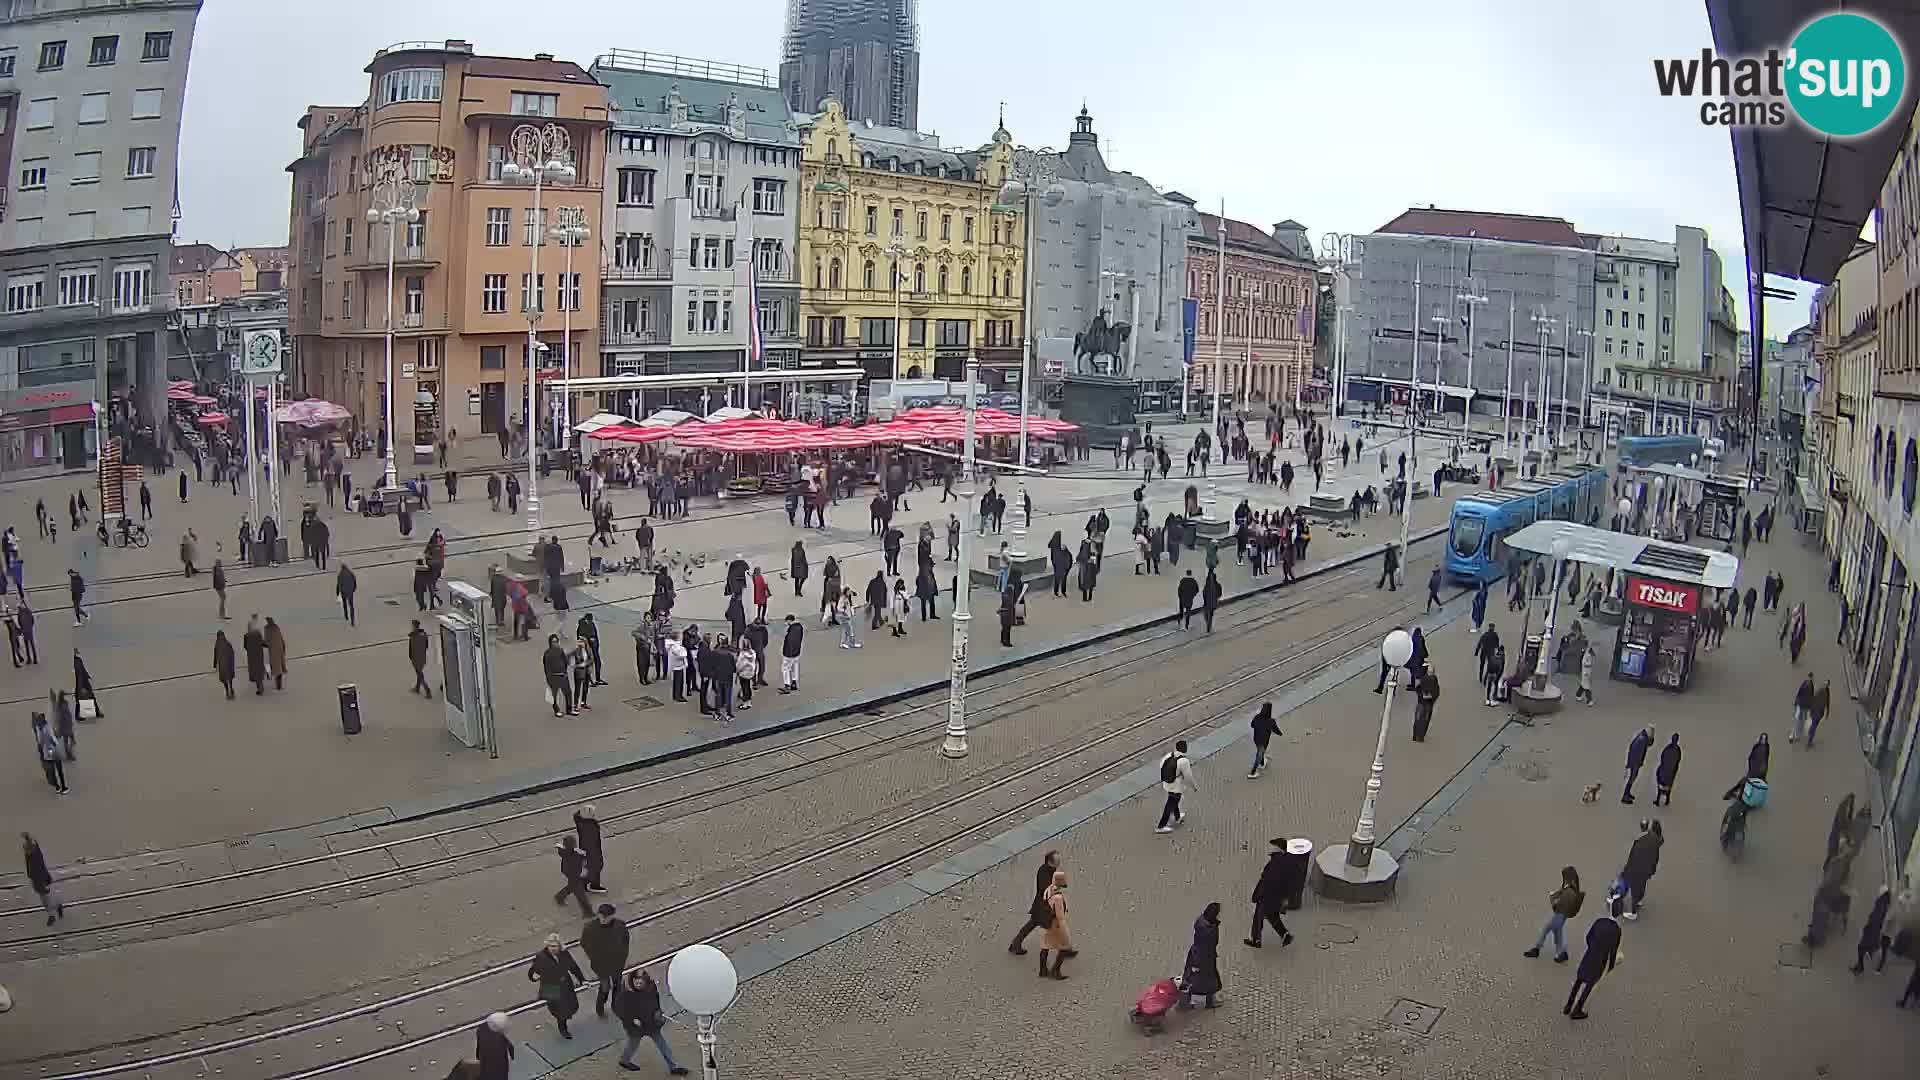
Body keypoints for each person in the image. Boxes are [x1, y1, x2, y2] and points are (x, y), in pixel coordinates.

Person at [613, 969, 689, 1074]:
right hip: (636, 1026)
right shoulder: (626, 993)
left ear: (645, 981)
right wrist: (631, 1019)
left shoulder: (651, 987)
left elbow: (655, 999)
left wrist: (657, 1011)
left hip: (651, 1023)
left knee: (662, 1045)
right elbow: (618, 1009)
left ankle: (673, 1067)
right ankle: (624, 1060)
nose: (638, 985)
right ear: (633, 980)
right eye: (636, 982)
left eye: (641, 983)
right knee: (632, 1044)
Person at [527, 933, 586, 1039]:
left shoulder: (564, 954)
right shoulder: (541, 957)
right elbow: (534, 969)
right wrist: (532, 977)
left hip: (565, 984)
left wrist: (582, 979)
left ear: (559, 945)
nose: (553, 948)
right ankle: (563, 1029)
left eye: (555, 946)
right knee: (559, 1010)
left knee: (569, 1004)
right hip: (551, 986)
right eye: (550, 946)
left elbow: (573, 966)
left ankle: (564, 1020)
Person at [1563, 914, 1621, 1020]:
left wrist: (1592, 948)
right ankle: (1577, 1009)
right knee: (1589, 985)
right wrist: (1611, 966)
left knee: (1578, 980)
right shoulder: (1616, 929)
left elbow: (1588, 937)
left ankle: (1568, 1005)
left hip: (1589, 955)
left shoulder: (1599, 921)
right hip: (1599, 961)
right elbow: (1613, 950)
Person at [1523, 866, 1584, 962]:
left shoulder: (1568, 891)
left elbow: (1557, 906)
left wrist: (1553, 899)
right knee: (1557, 933)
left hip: (1559, 914)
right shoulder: (1572, 889)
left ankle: (1537, 949)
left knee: (1546, 929)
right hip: (1562, 916)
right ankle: (1561, 953)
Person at [581, 902, 630, 1017]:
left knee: (617, 985)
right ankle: (600, 1007)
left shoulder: (620, 926)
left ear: (612, 916)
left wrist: (623, 955)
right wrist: (593, 956)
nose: (603, 919)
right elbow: (584, 943)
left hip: (617, 964)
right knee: (605, 987)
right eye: (601, 916)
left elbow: (625, 941)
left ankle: (615, 1005)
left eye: (606, 917)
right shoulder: (590, 928)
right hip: (601, 966)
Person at [1245, 840, 1296, 948]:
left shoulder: (1275, 863)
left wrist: (1257, 895)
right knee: (1272, 916)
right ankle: (1285, 935)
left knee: (1258, 917)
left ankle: (1256, 940)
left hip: (1267, 896)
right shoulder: (1284, 862)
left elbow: (1266, 881)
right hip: (1275, 897)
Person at [1180, 903, 1225, 1009]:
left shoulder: (1203, 923)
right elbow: (1205, 946)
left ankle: (1187, 1000)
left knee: (1200, 979)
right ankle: (1187, 1001)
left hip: (1203, 957)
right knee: (1202, 981)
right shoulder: (1207, 930)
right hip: (1204, 959)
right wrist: (1197, 964)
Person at [1619, 819, 1662, 920]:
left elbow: (1634, 854)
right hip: (1646, 870)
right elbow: (1655, 858)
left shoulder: (1644, 839)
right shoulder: (1655, 841)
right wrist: (1652, 870)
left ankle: (1632, 911)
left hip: (1637, 867)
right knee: (1641, 885)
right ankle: (1638, 900)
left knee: (1632, 885)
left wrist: (1629, 865)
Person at [1036, 870, 1072, 980]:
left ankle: (1042, 969)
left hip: (1046, 923)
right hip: (1055, 926)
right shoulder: (1058, 898)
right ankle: (1056, 971)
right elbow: (1060, 917)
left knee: (1045, 946)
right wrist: (1065, 932)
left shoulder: (1049, 889)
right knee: (1064, 947)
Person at [1155, 739, 1196, 833]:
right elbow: (1188, 776)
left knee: (1173, 799)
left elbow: (1162, 766)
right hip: (1176, 786)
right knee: (1170, 804)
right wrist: (1193, 787)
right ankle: (1161, 826)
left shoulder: (1168, 756)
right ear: (1185, 750)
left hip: (1167, 783)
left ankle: (1177, 817)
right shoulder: (1184, 761)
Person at [22, 833, 63, 925]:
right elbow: (30, 866)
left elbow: (36, 868)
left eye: (27, 849)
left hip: (40, 880)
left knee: (46, 899)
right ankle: (57, 908)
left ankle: (53, 914)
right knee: (46, 897)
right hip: (39, 879)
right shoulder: (32, 853)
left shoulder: (34, 856)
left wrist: (38, 881)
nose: (26, 851)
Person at [1853, 885, 1893, 974]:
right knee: (1879, 947)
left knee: (1863, 948)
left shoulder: (1881, 903)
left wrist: (1867, 928)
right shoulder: (1884, 903)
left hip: (1874, 932)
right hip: (1878, 932)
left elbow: (1876, 918)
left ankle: (1862, 966)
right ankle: (1871, 966)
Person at [553, 834, 592, 917]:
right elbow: (584, 858)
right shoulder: (576, 855)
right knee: (580, 894)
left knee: (572, 886)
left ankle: (559, 896)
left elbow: (560, 847)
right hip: (574, 874)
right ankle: (588, 912)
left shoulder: (563, 851)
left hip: (567, 871)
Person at [1621, 725, 1654, 804]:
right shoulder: (1642, 741)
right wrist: (1637, 764)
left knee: (1632, 778)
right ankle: (1625, 796)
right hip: (1634, 763)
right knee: (1631, 778)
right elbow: (1637, 754)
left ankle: (1627, 793)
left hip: (1634, 762)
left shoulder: (1642, 737)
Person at [475, 1013, 514, 1080]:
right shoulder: (498, 1034)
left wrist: (478, 1058)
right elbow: (510, 1046)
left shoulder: (481, 1031)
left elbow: (478, 1048)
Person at [543, 634, 575, 716]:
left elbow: (565, 661)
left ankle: (569, 710)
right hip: (553, 677)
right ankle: (556, 710)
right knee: (553, 696)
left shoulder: (561, 650)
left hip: (563, 676)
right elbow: (546, 667)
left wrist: (565, 671)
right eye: (553, 642)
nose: (555, 643)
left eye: (556, 641)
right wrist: (549, 678)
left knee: (568, 693)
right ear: (550, 643)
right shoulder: (547, 653)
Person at [1248, 702, 1280, 778]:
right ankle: (1253, 772)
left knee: (1260, 751)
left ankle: (1262, 764)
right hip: (1264, 741)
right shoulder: (1271, 721)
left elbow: (1252, 725)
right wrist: (1280, 734)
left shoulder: (1257, 717)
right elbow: (1276, 730)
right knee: (1259, 754)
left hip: (1256, 739)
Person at [1412, 666, 1440, 741]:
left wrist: (1423, 696)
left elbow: (1418, 689)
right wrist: (1431, 697)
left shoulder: (1425, 678)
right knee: (1423, 720)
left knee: (1420, 719)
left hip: (1424, 703)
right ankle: (1419, 736)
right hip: (1426, 703)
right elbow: (1436, 692)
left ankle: (1417, 736)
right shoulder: (1432, 679)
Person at [778, 614, 804, 693]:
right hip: (797, 652)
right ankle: (794, 682)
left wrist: (787, 653)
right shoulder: (799, 628)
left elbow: (790, 642)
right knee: (794, 667)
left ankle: (787, 685)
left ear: (789, 620)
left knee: (785, 668)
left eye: (787, 621)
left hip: (789, 653)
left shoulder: (792, 629)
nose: (786, 623)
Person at [1654, 733, 1682, 806]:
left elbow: (1662, 756)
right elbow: (1678, 760)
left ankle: (1659, 800)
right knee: (1668, 785)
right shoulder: (1678, 750)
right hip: (1670, 771)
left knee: (1661, 783)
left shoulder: (1668, 748)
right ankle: (1667, 799)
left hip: (1665, 769)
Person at [242, 616, 267, 695]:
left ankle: (260, 688)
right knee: (259, 671)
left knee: (255, 672)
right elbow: (263, 643)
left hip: (252, 656)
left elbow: (245, 646)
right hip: (259, 655)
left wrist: (250, 650)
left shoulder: (246, 636)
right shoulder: (258, 634)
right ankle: (261, 687)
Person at [407, 620, 432, 697]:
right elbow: (427, 646)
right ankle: (417, 688)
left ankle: (427, 690)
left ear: (414, 626)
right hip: (423, 657)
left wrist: (411, 657)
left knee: (420, 674)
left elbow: (410, 650)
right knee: (419, 673)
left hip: (416, 658)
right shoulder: (424, 634)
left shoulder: (413, 637)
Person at [264, 617, 288, 690]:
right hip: (278, 650)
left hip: (274, 651)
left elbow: (266, 640)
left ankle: (278, 686)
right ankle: (279, 685)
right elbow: (281, 638)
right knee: (278, 669)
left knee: (276, 669)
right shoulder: (276, 627)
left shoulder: (267, 628)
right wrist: (283, 647)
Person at [213, 630, 237, 699]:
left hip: (222, 665)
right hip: (229, 663)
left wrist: (215, 665)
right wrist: (232, 662)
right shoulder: (228, 643)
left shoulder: (217, 645)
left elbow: (215, 656)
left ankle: (227, 691)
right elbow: (232, 653)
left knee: (224, 679)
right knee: (229, 678)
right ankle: (231, 689)